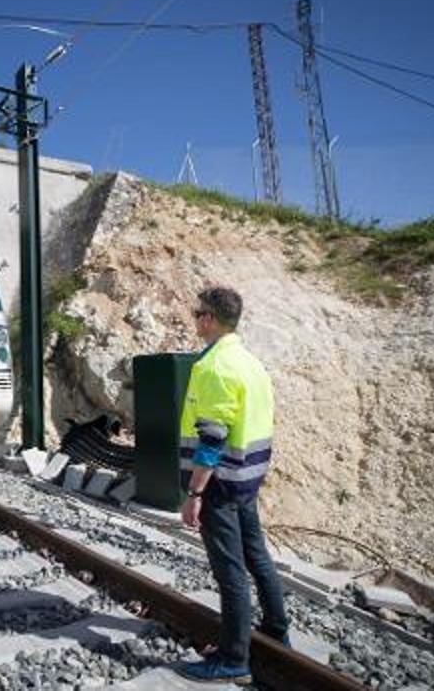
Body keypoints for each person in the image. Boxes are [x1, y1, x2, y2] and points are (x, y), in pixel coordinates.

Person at [176, 287, 290, 685]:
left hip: (221, 484)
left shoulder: (213, 367)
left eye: (197, 313)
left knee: (231, 571)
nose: (195, 320)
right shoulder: (251, 363)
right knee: (257, 556)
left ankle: (233, 658)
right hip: (247, 478)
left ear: (209, 319)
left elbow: (211, 439)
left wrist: (194, 494)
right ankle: (276, 632)